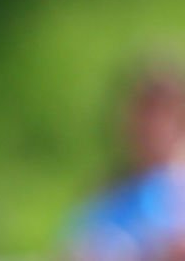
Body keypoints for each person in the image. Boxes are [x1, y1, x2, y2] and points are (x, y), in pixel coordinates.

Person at [68, 67, 185, 261]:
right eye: (144, 115)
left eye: (162, 115)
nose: (151, 128)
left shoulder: (177, 190)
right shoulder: (107, 193)